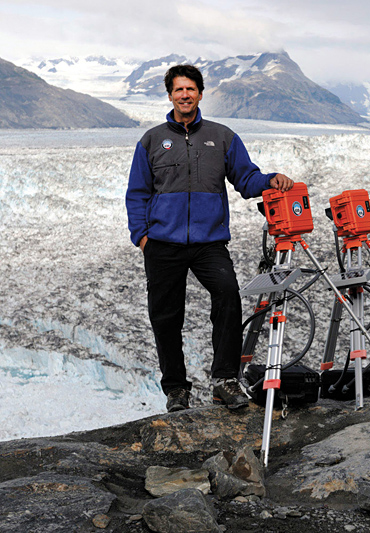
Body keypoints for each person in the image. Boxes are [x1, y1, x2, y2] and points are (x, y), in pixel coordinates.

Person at [126, 64, 294, 413]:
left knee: (228, 295)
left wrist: (269, 179)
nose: (184, 95)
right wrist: (142, 237)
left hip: (208, 243)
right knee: (166, 317)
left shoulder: (222, 137)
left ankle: (224, 381)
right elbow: (137, 193)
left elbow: (245, 178)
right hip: (163, 244)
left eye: (190, 89)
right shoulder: (152, 141)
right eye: (178, 90)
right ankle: (176, 389)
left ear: (200, 94)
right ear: (170, 95)